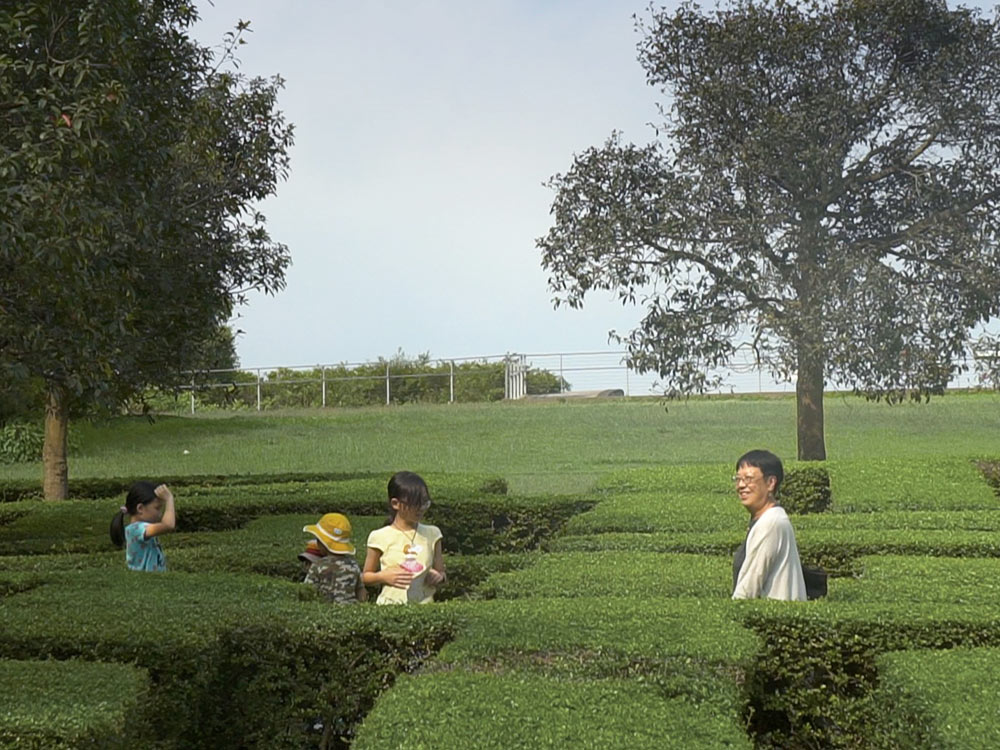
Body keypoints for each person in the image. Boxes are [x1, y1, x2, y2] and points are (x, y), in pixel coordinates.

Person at [731, 449, 807, 601]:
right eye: (738, 479)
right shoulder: (767, 519)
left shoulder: (771, 523)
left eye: (748, 479)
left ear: (771, 483)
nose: (740, 485)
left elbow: (749, 586)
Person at [363, 471, 446, 604]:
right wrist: (383, 576)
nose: (420, 509)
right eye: (414, 504)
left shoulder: (433, 533)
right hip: (389, 605)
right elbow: (365, 576)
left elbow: (441, 573)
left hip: (425, 604)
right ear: (395, 504)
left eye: (424, 503)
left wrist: (438, 577)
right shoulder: (379, 536)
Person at [109, 482, 176, 572]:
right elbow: (168, 525)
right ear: (140, 508)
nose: (160, 514)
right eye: (157, 508)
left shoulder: (138, 528)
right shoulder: (136, 529)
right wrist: (169, 499)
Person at [302, 513, 367, 603]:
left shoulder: (317, 566)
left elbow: (307, 591)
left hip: (325, 610)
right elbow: (361, 591)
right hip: (350, 610)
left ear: (323, 543)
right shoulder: (353, 565)